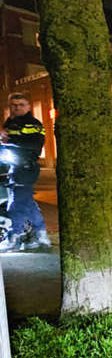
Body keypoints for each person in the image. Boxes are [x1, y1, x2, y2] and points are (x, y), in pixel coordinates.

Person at [0, 93, 48, 251]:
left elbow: (33, 146)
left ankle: (15, 236)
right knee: (27, 202)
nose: (17, 108)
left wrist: (9, 142)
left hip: (26, 167)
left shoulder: (33, 124)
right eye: (14, 105)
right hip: (14, 167)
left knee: (15, 204)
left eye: (21, 104)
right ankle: (41, 236)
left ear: (28, 106)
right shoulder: (10, 123)